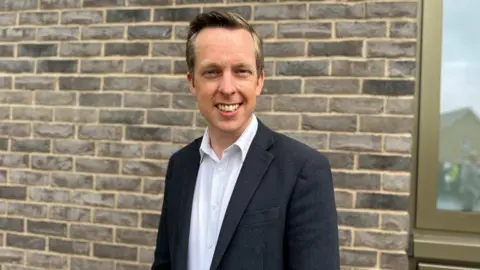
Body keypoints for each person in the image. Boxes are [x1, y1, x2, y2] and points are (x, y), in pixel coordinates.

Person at [151, 10, 340, 270]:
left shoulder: (303, 170)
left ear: (259, 80)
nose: (228, 88)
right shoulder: (180, 166)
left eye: (241, 71)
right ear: (192, 82)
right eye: (212, 72)